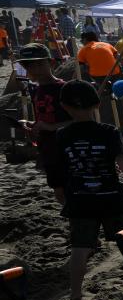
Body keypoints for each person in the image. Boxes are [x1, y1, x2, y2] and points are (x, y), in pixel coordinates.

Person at [52, 81, 123, 300]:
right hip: (110, 196)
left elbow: (57, 172)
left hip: (80, 199)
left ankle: (75, 295)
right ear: (97, 104)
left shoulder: (62, 135)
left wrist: (62, 196)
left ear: (64, 106)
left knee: (80, 248)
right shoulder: (108, 132)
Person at [17, 44, 73, 191]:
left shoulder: (64, 88)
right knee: (58, 189)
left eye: (40, 64)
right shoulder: (36, 90)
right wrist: (31, 124)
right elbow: (47, 118)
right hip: (48, 149)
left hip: (67, 150)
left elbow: (82, 121)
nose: (35, 70)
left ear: (51, 63)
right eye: (30, 66)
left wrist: (50, 127)